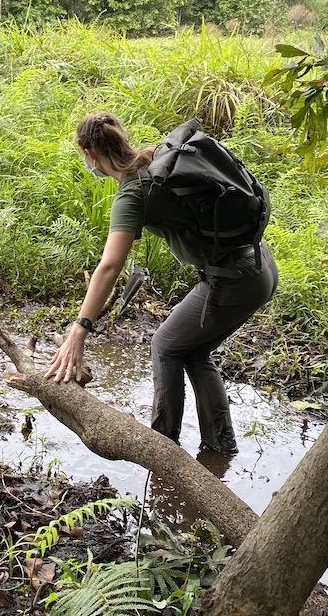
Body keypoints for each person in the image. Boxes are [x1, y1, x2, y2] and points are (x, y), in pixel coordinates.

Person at [45, 112, 278, 454]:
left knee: (165, 346)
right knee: (194, 351)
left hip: (234, 278)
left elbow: (109, 266)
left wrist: (79, 330)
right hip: (259, 264)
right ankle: (219, 449)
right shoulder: (156, 157)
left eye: (84, 157)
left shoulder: (133, 194)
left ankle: (162, 447)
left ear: (90, 154)